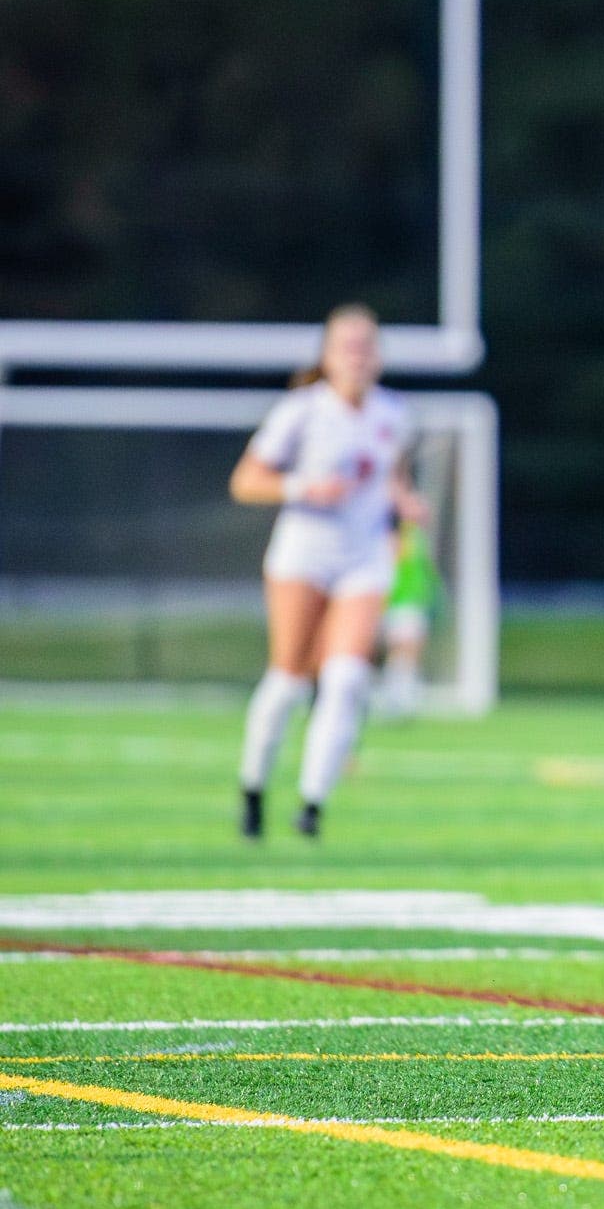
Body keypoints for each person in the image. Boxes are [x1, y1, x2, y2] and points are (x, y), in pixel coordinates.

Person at [229, 304, 421, 838]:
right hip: (303, 555)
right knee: (289, 678)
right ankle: (254, 787)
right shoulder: (301, 411)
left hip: (362, 559)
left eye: (367, 347)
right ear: (328, 356)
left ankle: (312, 804)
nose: (358, 358)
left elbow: (391, 481)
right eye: (347, 347)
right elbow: (246, 480)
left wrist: (405, 507)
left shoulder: (394, 415)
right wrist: (299, 488)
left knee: (346, 678)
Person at [377, 518, 440, 719]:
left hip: (414, 600)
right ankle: (396, 698)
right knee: (402, 651)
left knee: (408, 653)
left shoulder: (415, 532)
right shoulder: (391, 530)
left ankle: (401, 697)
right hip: (397, 601)